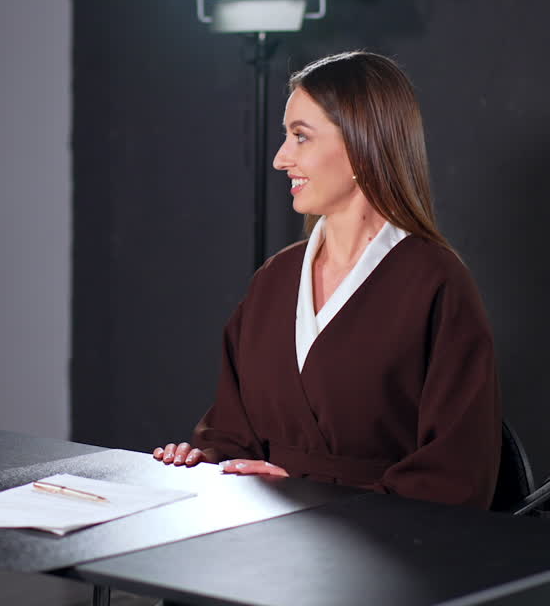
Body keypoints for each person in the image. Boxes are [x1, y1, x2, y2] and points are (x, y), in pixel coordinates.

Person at [152, 51, 501, 509]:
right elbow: (234, 431)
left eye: (301, 137)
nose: (280, 159)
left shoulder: (437, 285)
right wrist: (205, 456)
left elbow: (456, 475)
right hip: (262, 538)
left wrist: (314, 499)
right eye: (286, 137)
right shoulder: (275, 280)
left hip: (390, 552)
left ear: (361, 146)